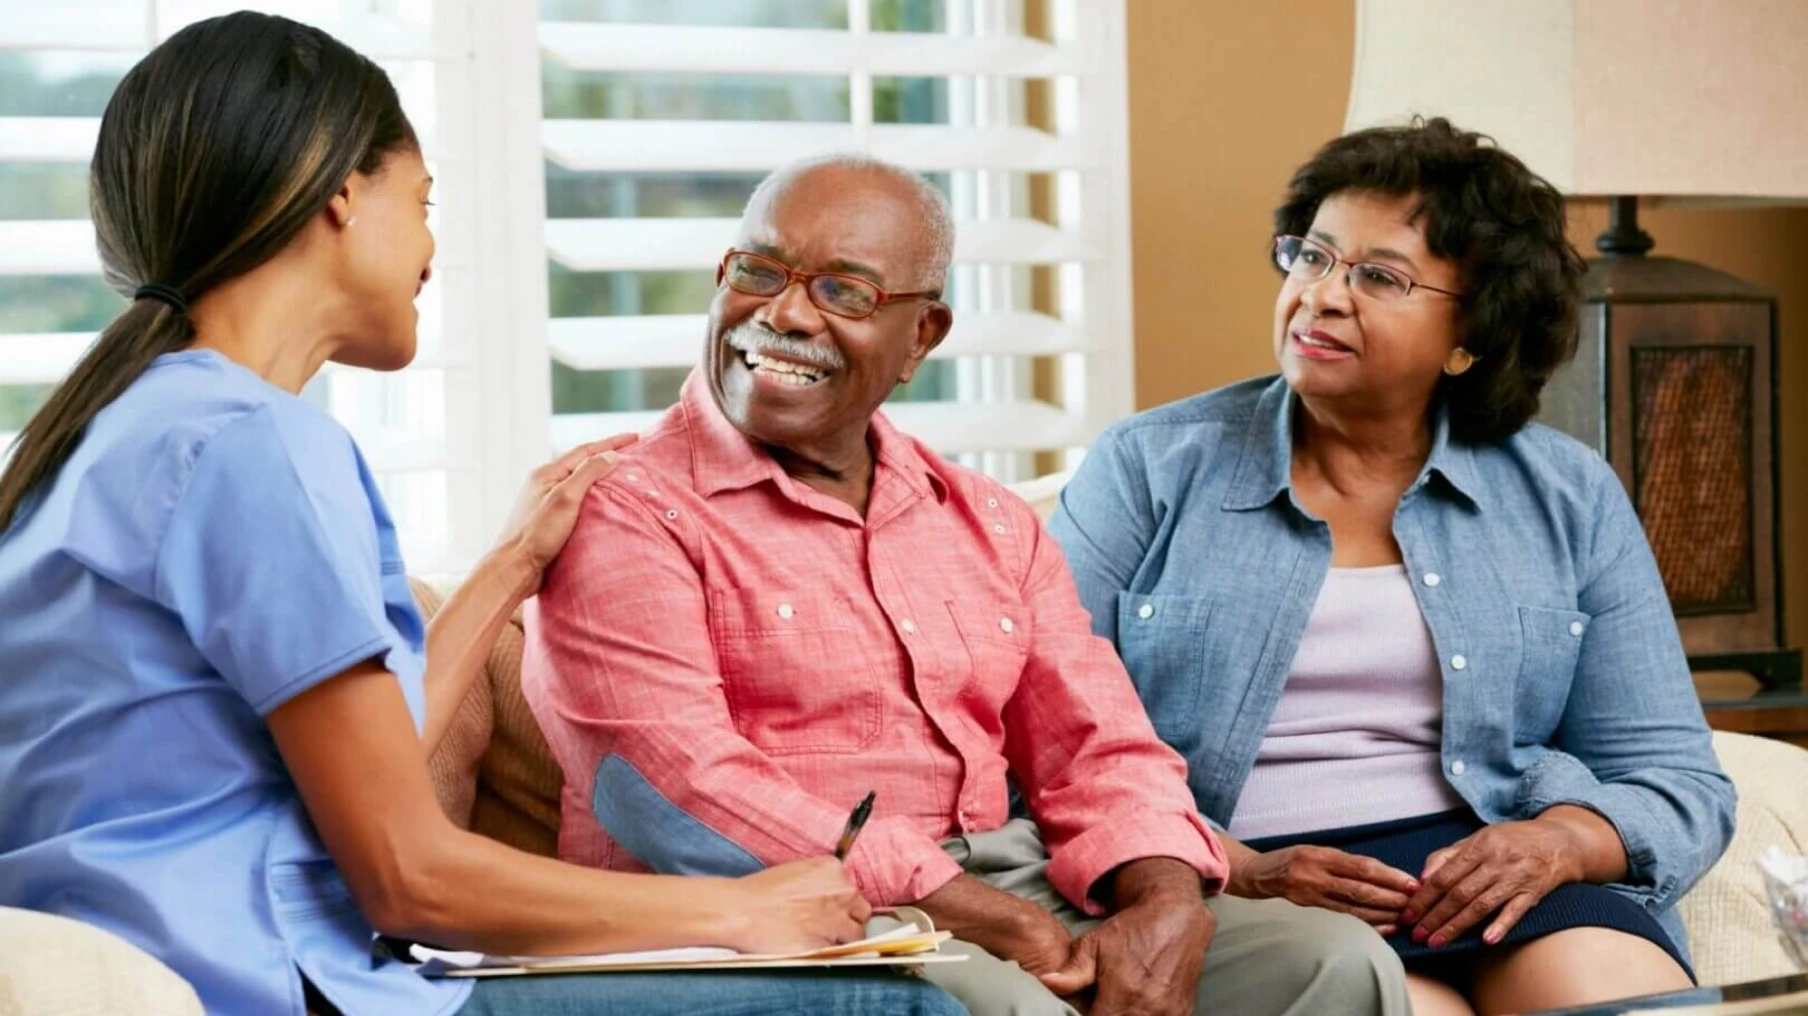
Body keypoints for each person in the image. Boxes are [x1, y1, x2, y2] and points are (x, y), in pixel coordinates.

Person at [0, 14, 967, 1016]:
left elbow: (363, 770)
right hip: (275, 983)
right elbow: (405, 872)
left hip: (178, 956)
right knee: (896, 1004)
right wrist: (736, 909)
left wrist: (512, 561)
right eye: (420, 200)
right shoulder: (255, 445)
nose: (429, 244)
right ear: (342, 195)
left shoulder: (101, 434)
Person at [521, 152, 1410, 1016]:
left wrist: (1163, 902)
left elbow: (1099, 747)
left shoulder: (984, 519)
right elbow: (675, 790)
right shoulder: (625, 508)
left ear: (921, 337)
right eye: (759, 271)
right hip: (784, 917)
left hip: (1013, 885)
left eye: (844, 291)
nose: (785, 313)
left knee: (1334, 965)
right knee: (1006, 1002)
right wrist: (985, 916)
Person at [1047, 117, 1737, 1016]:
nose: (1322, 297)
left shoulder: (1566, 493)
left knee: (1619, 1002)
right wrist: (1235, 867)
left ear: (1471, 339)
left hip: (1494, 869)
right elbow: (1041, 735)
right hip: (1249, 875)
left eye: (1379, 276)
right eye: (1312, 257)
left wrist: (1562, 841)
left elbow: (1675, 776)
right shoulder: (1148, 466)